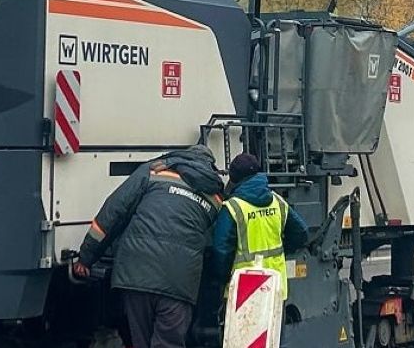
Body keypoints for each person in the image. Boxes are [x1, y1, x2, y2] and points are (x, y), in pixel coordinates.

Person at [75, 145, 224, 348]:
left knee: (140, 341)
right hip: (179, 281)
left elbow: (113, 213)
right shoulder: (215, 197)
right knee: (169, 343)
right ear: (210, 167)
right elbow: (214, 243)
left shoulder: (153, 171)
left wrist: (86, 258)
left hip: (136, 272)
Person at [211, 153, 309, 302]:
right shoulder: (277, 201)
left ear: (235, 180)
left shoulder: (232, 208)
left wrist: (220, 281)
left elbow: (221, 251)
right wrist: (282, 250)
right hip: (275, 288)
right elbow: (301, 233)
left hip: (244, 292)